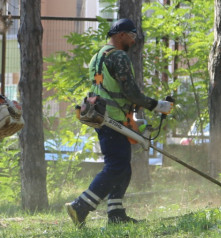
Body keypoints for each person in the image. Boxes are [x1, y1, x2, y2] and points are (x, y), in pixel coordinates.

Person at [66, 18, 173, 226]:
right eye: (132, 36)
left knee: (123, 166)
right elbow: (130, 91)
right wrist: (156, 105)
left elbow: (111, 88)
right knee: (116, 166)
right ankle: (80, 206)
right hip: (112, 118)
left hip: (101, 116)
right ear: (121, 34)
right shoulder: (119, 57)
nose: (133, 42)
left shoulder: (97, 56)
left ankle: (116, 214)